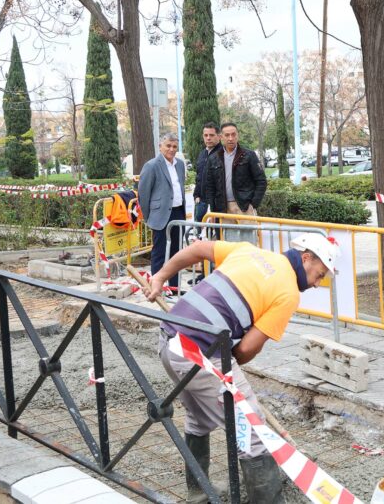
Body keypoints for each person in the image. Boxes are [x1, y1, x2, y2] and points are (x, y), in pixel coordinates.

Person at [147, 233, 340, 503]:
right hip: (200, 355)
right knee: (253, 433)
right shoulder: (287, 294)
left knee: (199, 418)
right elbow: (248, 348)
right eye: (320, 275)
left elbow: (198, 249)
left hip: (169, 342)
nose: (318, 284)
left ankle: (198, 492)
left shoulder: (249, 251)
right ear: (305, 258)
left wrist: (159, 276)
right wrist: (230, 367)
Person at [138, 133, 187, 292]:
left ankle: (174, 288)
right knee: (159, 253)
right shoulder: (151, 165)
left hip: (178, 212)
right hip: (160, 216)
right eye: (168, 146)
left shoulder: (179, 164)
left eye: (174, 147)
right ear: (160, 147)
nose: (171, 149)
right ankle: (156, 288)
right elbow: (143, 194)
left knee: (176, 254)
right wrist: (149, 216)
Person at [204, 122, 268, 221]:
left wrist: (253, 204)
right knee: (226, 237)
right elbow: (210, 186)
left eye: (233, 134)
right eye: (227, 135)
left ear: (237, 135)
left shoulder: (249, 155)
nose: (230, 138)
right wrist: (212, 209)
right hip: (223, 208)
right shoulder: (213, 158)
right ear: (221, 137)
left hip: (244, 207)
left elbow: (261, 181)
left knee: (248, 236)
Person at [192, 122, 221, 229]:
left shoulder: (223, 154)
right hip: (201, 201)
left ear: (219, 136)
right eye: (206, 135)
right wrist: (196, 195)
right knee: (198, 234)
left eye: (211, 135)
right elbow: (199, 177)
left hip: (216, 203)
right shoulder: (202, 154)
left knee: (216, 236)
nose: (208, 138)